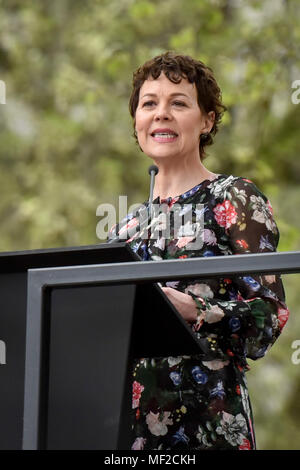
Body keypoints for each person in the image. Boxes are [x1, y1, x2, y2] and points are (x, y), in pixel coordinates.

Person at [107, 51, 290, 450]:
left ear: (206, 121)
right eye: (149, 103)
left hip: (206, 422)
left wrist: (197, 310)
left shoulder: (233, 197)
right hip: (124, 430)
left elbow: (271, 316)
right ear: (137, 122)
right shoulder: (124, 228)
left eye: (179, 103)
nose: (161, 114)